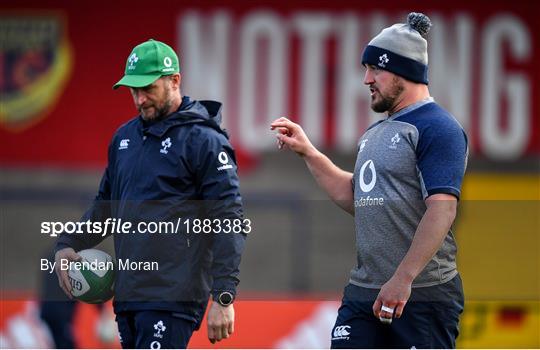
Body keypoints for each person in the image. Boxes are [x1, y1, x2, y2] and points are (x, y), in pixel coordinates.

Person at [271, 13, 468, 348]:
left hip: (421, 296)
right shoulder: (375, 132)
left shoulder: (438, 127)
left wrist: (402, 279)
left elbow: (442, 211)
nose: (366, 79)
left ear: (403, 70)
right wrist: (309, 153)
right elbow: (357, 197)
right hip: (364, 292)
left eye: (375, 68)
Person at [54, 39, 246, 348]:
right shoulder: (123, 138)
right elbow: (106, 206)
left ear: (174, 81)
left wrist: (224, 297)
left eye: (148, 89)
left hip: (173, 297)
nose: (140, 99)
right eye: (134, 91)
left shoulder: (204, 141)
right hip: (128, 296)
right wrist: (68, 243)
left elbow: (228, 220)